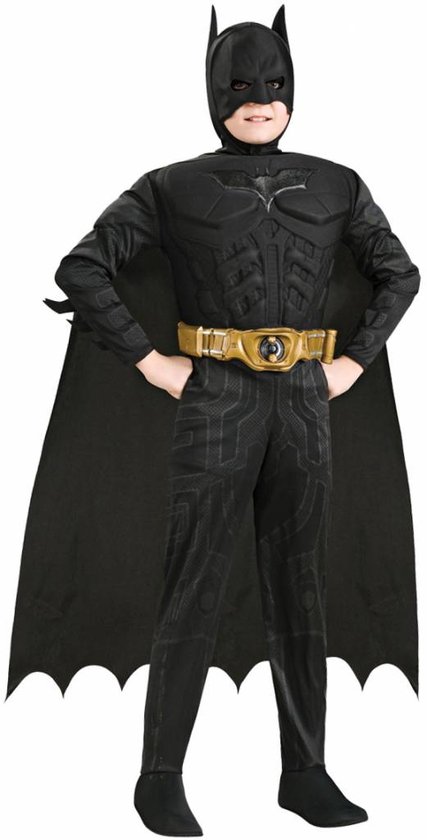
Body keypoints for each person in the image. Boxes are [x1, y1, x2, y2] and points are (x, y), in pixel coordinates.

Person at [5, 5, 420, 835]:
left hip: (302, 399)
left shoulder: (338, 183)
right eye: (240, 84)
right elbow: (82, 268)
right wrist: (151, 361)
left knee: (301, 583)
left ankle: (304, 772)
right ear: (212, 89)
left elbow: (398, 273)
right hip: (216, 397)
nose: (259, 99)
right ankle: (159, 777)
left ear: (294, 87)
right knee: (191, 581)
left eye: (273, 82)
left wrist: (350, 363)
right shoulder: (170, 186)